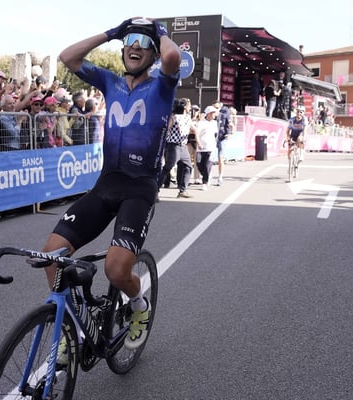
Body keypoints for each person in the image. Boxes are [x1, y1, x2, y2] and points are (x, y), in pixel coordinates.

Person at [41, 17, 180, 350]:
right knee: (51, 257)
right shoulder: (110, 82)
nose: (135, 46)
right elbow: (68, 57)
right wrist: (111, 33)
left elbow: (173, 57)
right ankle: (72, 328)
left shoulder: (162, 86)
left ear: (154, 53)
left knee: (116, 271)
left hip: (140, 189)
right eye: (130, 41)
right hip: (106, 184)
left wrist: (159, 32)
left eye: (143, 43)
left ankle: (139, 305)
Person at [175, 98, 195, 198]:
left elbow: (193, 129)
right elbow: (180, 130)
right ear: (184, 106)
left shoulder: (187, 117)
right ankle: (155, 190)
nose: (190, 108)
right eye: (188, 105)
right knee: (167, 168)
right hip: (173, 145)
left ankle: (182, 191)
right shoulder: (175, 116)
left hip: (183, 145)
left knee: (188, 166)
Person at [196, 105, 218, 191]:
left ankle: (204, 182)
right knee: (199, 164)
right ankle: (207, 175)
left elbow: (215, 134)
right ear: (208, 114)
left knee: (207, 164)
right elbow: (197, 134)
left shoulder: (214, 123)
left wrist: (214, 144)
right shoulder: (201, 123)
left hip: (210, 147)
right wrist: (199, 143)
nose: (214, 115)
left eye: (214, 113)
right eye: (212, 113)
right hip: (201, 147)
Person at [213, 100, 231, 186]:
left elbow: (228, 123)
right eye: (214, 107)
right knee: (209, 158)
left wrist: (228, 133)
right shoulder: (210, 114)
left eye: (217, 107)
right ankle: (207, 176)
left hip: (222, 137)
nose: (215, 109)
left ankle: (220, 177)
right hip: (212, 138)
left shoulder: (224, 113)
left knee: (220, 157)